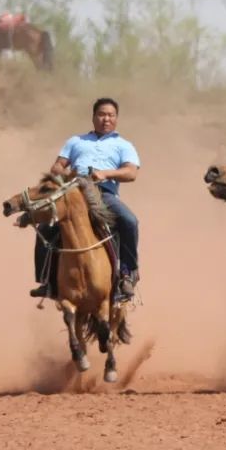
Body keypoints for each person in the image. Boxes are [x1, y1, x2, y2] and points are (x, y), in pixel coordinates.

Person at [31, 98, 142, 310]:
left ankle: (127, 274)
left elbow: (131, 172)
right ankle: (46, 280)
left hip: (103, 194)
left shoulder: (124, 145)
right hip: (73, 192)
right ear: (93, 117)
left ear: (116, 119)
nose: (106, 119)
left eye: (110, 115)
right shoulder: (76, 141)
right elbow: (57, 167)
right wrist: (68, 173)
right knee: (45, 226)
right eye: (101, 114)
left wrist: (105, 174)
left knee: (130, 221)